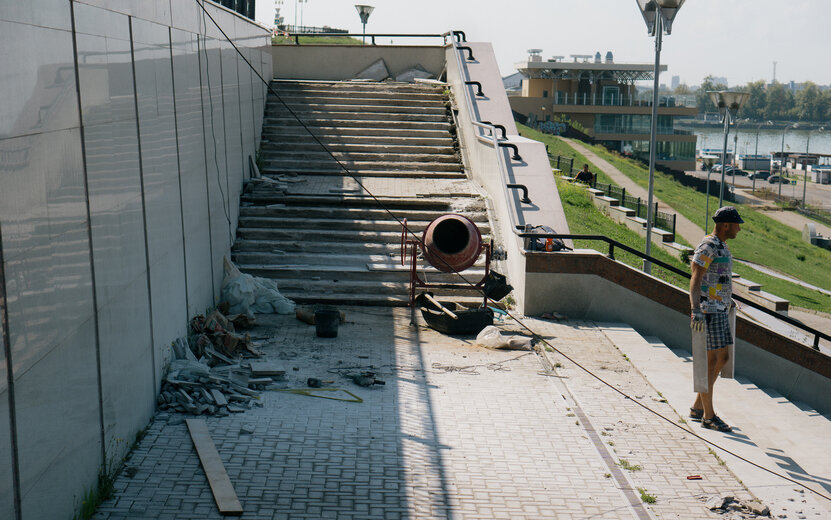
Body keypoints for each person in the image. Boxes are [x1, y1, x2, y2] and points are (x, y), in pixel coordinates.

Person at [689, 206, 743, 432]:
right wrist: (695, 309)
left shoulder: (722, 245)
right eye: (737, 224)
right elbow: (696, 275)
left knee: (722, 359)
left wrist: (726, 299)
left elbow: (717, 277)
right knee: (712, 362)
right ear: (726, 225)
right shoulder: (709, 245)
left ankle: (698, 407)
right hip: (708, 311)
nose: (739, 229)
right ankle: (709, 417)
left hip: (720, 308)